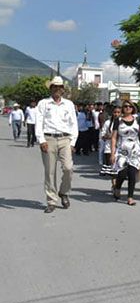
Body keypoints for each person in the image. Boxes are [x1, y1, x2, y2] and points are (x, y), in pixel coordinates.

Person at [35, 76, 78, 213]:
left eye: (59, 87)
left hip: (65, 139)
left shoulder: (69, 104)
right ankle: (51, 200)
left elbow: (73, 124)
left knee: (68, 168)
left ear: (63, 90)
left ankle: (64, 192)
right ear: (51, 88)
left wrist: (73, 142)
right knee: (50, 172)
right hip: (49, 139)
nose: (57, 89)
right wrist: (41, 140)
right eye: (54, 87)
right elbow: (39, 122)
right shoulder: (43, 103)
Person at [111, 100, 140, 206]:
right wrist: (112, 153)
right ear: (122, 108)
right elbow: (113, 138)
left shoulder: (137, 119)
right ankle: (117, 187)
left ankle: (130, 197)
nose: (127, 108)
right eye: (125, 106)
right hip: (122, 149)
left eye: (130, 106)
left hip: (135, 150)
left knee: (132, 173)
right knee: (122, 172)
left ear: (133, 108)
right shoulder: (118, 121)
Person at [100, 104, 121, 189]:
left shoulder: (123, 122)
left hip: (121, 148)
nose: (116, 114)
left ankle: (117, 185)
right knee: (112, 169)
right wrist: (111, 136)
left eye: (118, 112)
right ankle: (114, 185)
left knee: (120, 169)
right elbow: (103, 135)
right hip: (109, 148)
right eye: (115, 112)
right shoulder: (108, 123)